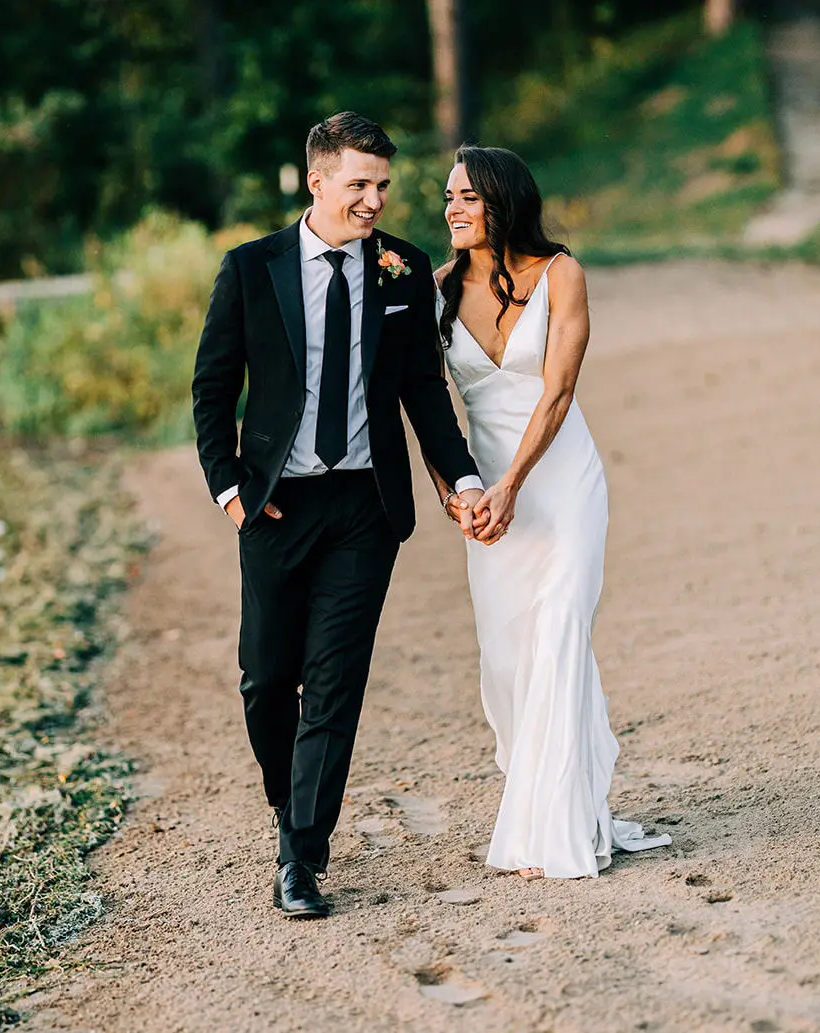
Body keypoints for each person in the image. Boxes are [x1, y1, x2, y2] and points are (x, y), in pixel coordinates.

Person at [192, 112, 485, 917]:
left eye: (382, 186)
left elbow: (423, 389)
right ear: (316, 180)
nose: (373, 200)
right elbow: (213, 390)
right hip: (275, 505)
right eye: (359, 184)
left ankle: (302, 855)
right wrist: (230, 490)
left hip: (364, 503)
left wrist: (459, 476)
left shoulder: (403, 271)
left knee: (333, 683)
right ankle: (290, 808)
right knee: (264, 679)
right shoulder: (251, 269)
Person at [432, 145, 671, 879]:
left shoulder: (561, 274)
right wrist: (460, 488)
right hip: (487, 498)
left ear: (502, 201)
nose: (451, 209)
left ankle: (557, 829)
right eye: (446, 197)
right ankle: (548, 794)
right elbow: (427, 403)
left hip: (561, 483)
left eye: (466, 196)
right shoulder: (436, 287)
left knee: (559, 631)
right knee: (507, 659)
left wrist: (512, 484)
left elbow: (557, 393)